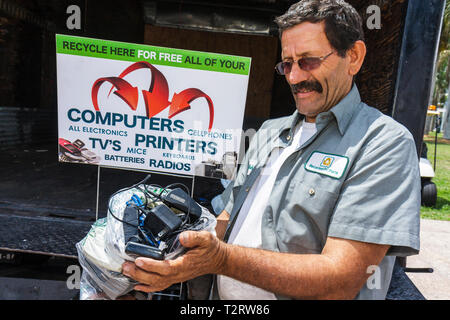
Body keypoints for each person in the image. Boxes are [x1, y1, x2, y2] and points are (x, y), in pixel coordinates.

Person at [122, 0, 421, 300]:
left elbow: (341, 280)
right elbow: (227, 216)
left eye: (308, 61)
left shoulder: (383, 144)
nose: (294, 77)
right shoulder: (269, 132)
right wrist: (175, 254)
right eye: (287, 64)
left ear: (353, 57)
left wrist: (221, 258)